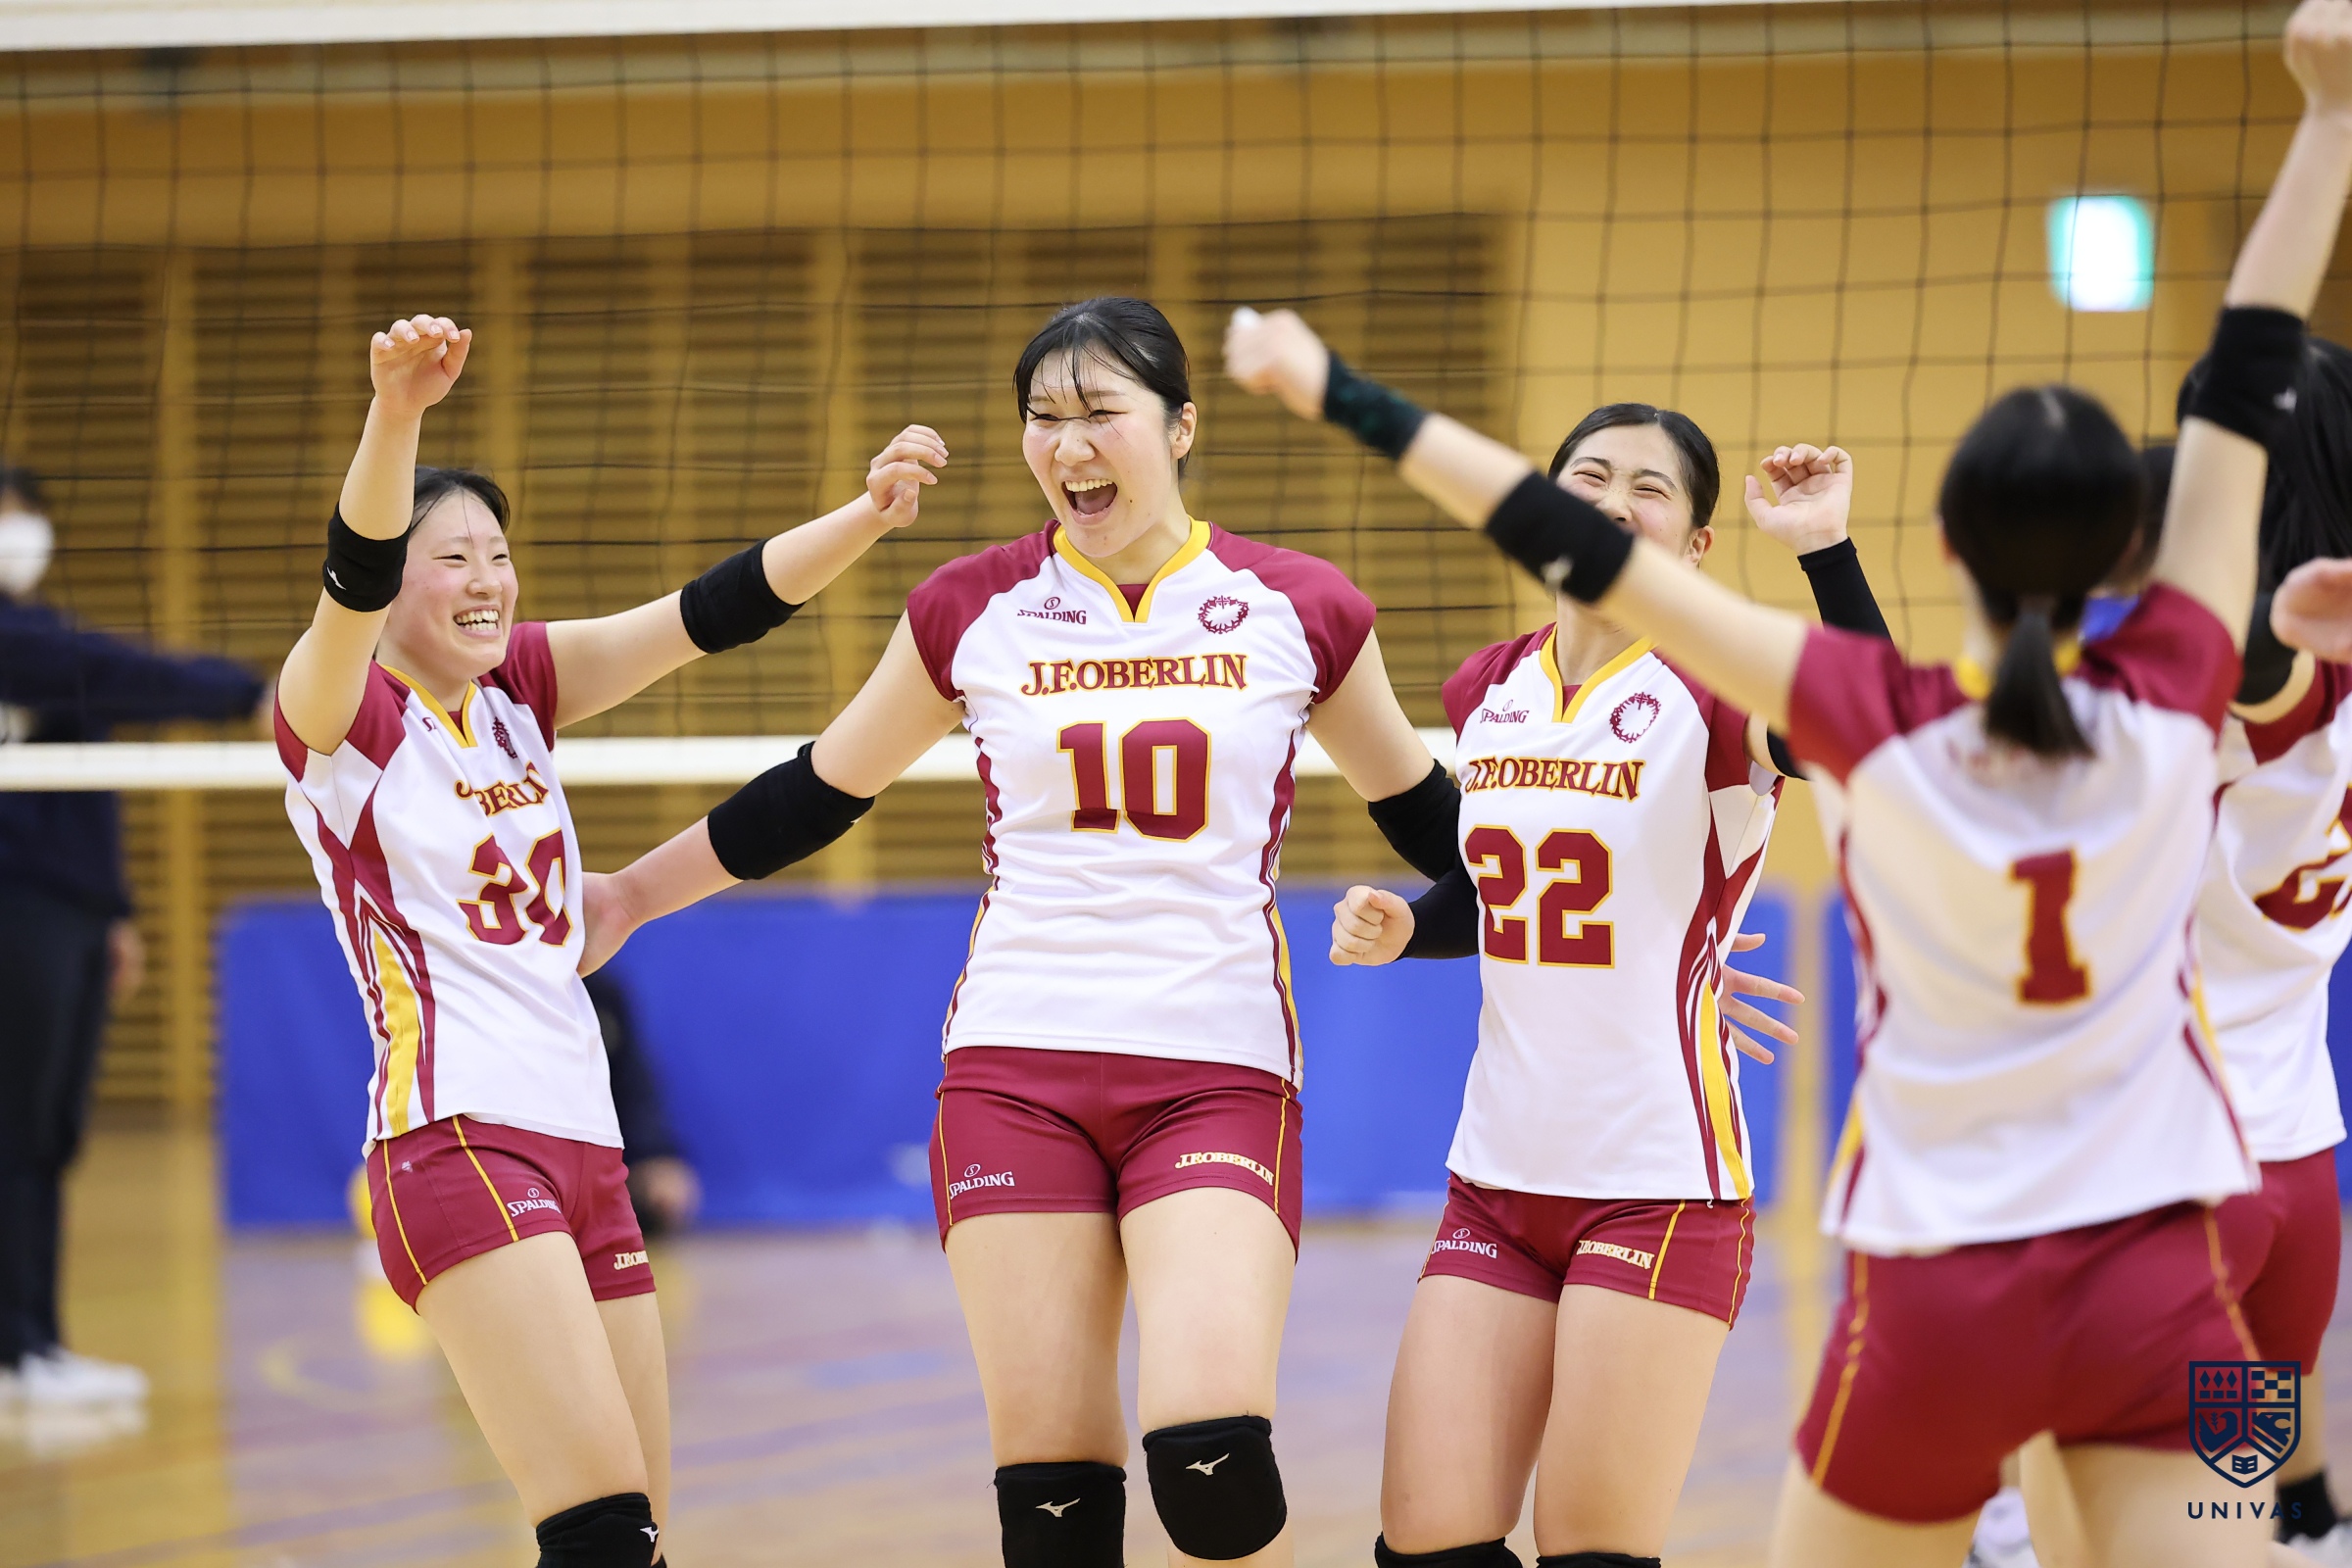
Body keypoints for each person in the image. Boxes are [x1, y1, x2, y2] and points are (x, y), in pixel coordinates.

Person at [1222, 5, 2352, 1555]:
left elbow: (1575, 548)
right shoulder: (2190, 694)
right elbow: (2243, 394)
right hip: (2196, 1227)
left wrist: (1337, 388)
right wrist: (2330, 126)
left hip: (1937, 1283)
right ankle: (2293, 1505)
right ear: (2135, 565)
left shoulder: (1878, 719)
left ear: (1941, 546)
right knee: (2250, 1490)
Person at [582, 296, 1470, 1568]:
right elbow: (820, 789)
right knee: (1055, 1504)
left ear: (1181, 426)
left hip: (1215, 1072)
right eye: (1043, 418)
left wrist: (1623, 936)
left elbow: (1455, 838)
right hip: (1016, 1071)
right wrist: (629, 895)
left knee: (1213, 1465)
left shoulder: (1302, 606)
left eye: (1101, 410)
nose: (1069, 443)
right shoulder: (972, 607)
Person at [274, 313, 937, 1568]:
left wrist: (866, 517)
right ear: (394, 584)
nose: (486, 577)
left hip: (586, 1143)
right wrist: (397, 411)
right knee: (602, 1533)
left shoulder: (517, 690)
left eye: (498, 553)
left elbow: (707, 615)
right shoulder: (338, 717)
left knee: (638, 1537)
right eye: (450, 557)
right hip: (456, 1135)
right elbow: (350, 578)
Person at [1322, 427, 1885, 1568]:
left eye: (1649, 487)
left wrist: (1824, 550)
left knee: (1590, 1551)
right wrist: (1415, 927)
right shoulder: (1489, 686)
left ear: (1695, 544)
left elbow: (1867, 721)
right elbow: (1506, 887)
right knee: (1427, 1543)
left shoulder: (1722, 687)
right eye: (1588, 477)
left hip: (1658, 1187)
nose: (1615, 500)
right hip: (1496, 1179)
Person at [0, 461, 267, 1408]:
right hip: (14, 905)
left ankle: (34, 1345)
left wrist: (112, 910)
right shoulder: (31, 645)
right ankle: (15, 1349)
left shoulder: (43, 639)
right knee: (16, 1130)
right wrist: (244, 693)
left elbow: (83, 788)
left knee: (47, 1134)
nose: (19, 532)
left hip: (65, 909)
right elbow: (117, 674)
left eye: (27, 515)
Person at [582, 969, 701, 1237]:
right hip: (511, 1159)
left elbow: (632, 1085)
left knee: (654, 1201)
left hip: (588, 1162)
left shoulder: (599, 992)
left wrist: (654, 1153)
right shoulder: (496, 989)